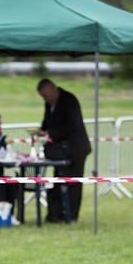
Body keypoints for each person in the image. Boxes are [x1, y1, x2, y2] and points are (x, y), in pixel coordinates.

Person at [37, 78, 91, 223]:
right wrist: (42, 131)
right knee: (58, 180)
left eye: (45, 95)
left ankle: (72, 215)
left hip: (76, 148)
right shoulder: (49, 105)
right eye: (42, 97)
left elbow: (73, 124)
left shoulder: (69, 100)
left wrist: (51, 133)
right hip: (60, 151)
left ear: (53, 90)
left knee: (73, 182)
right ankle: (56, 214)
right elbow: (46, 122)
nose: (45, 99)